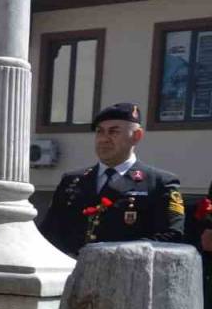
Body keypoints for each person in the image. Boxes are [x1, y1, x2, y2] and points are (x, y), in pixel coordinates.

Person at [38, 102, 183, 257]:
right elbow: (49, 232)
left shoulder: (159, 183)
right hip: (70, 273)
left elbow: (170, 237)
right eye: (100, 132)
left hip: (126, 275)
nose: (104, 139)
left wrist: (116, 258)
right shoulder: (72, 181)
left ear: (136, 136)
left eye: (114, 132)